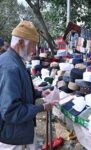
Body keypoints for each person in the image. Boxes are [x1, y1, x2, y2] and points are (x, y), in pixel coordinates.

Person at [0, 21, 56, 150]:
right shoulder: (9, 67)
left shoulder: (16, 61)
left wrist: (40, 93)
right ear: (20, 42)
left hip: (21, 130)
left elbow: (19, 91)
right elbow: (10, 111)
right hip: (12, 137)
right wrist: (41, 107)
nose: (34, 51)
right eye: (33, 45)